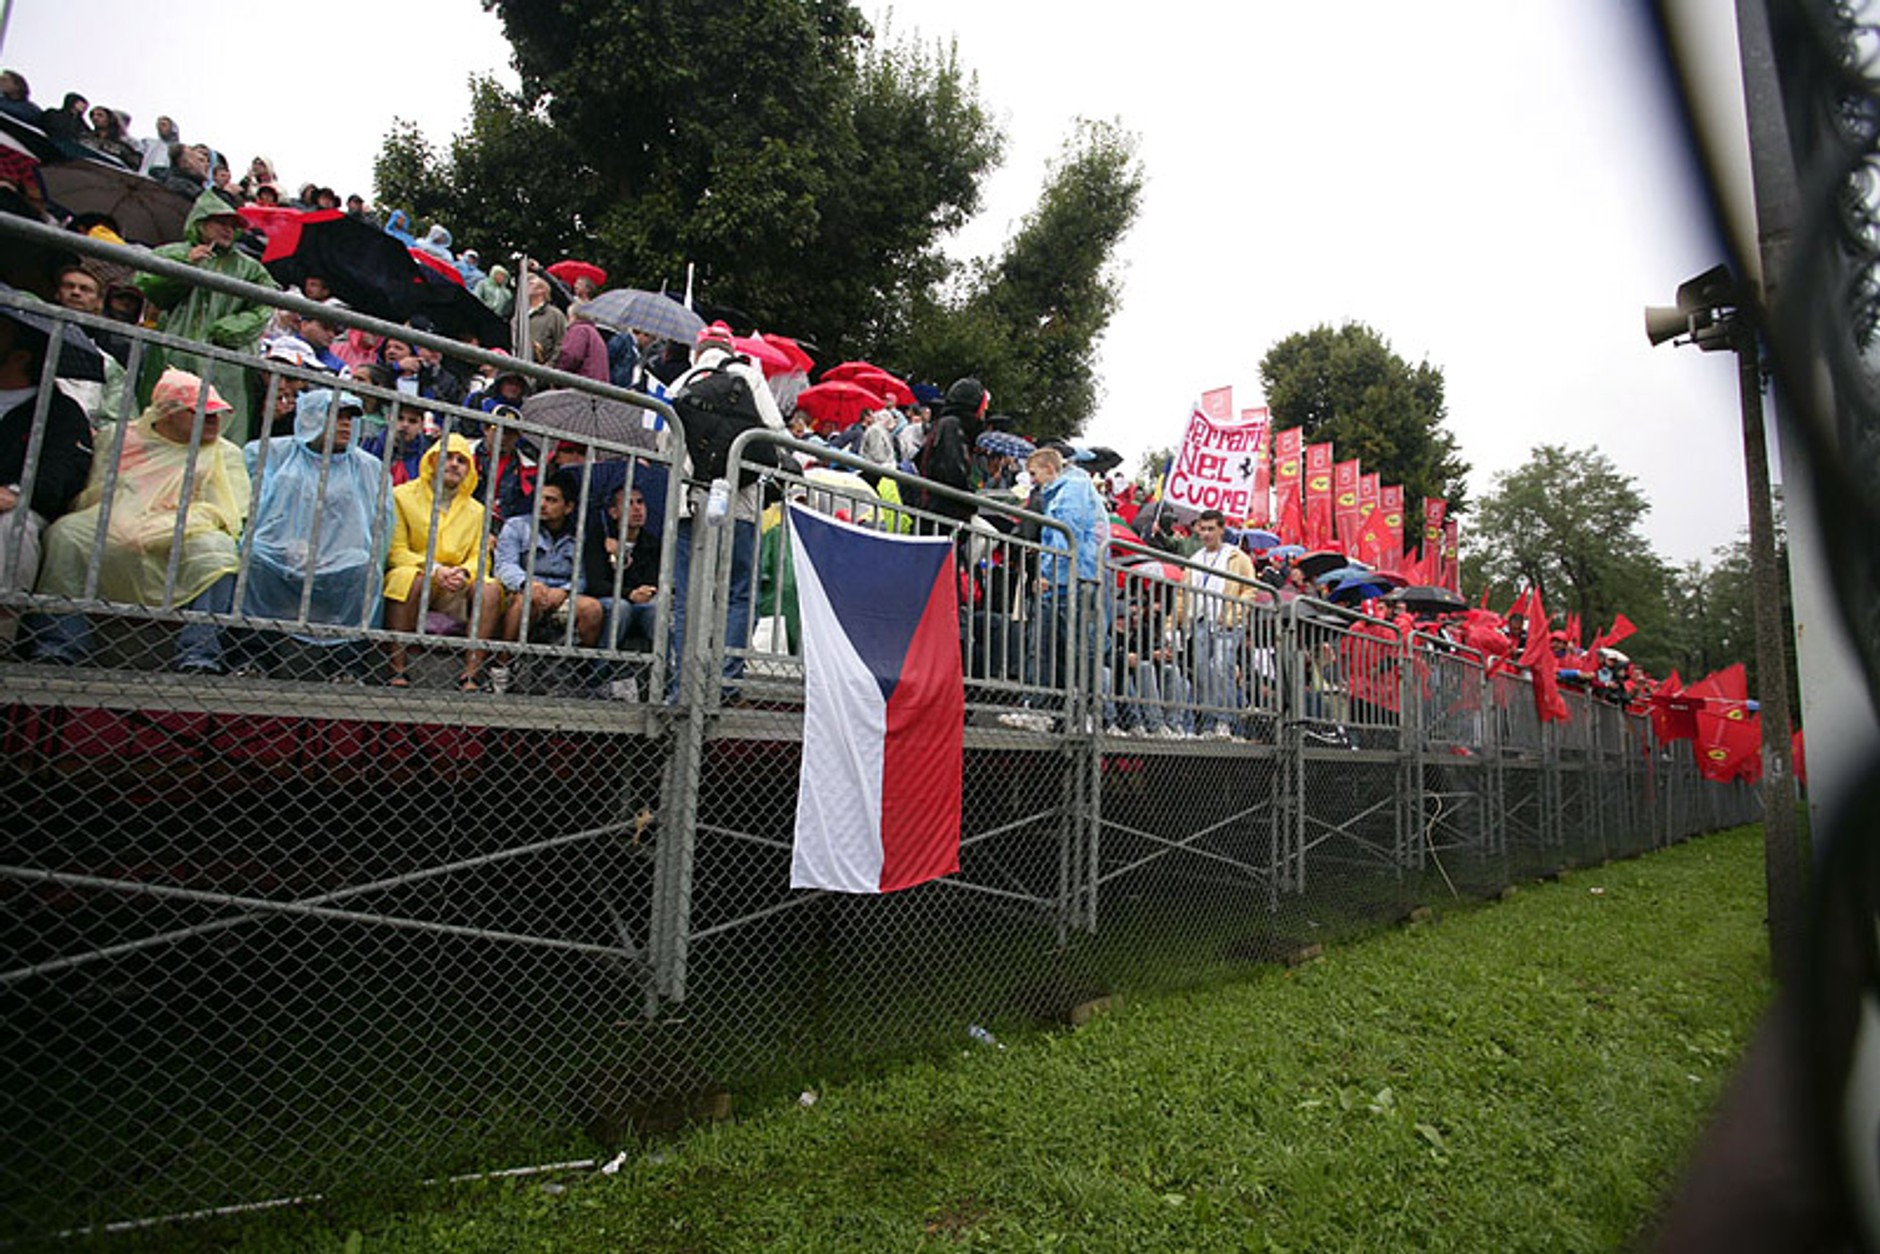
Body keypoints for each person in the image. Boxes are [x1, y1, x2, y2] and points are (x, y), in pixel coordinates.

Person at [30, 369, 248, 672]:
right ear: (168, 412)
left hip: (186, 528)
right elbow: (95, 493)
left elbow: (228, 509)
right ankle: (60, 643)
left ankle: (200, 654)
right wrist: (130, 518)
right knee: (66, 535)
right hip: (114, 520)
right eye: (202, 414)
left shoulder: (225, 453)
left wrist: (169, 521)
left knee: (219, 553)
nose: (215, 421)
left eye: (217, 414)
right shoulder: (120, 439)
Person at [661, 320, 787, 701]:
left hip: (688, 500)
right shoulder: (748, 376)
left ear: (698, 351)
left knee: (687, 595)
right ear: (731, 349)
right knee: (735, 593)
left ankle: (682, 687)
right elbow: (775, 430)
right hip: (739, 501)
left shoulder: (681, 381)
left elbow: (663, 439)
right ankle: (725, 685)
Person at [237, 388, 390, 680]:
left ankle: (347, 666)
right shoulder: (271, 453)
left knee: (364, 568)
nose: (346, 424)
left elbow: (379, 527)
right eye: (337, 416)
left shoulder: (369, 468)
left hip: (342, 555)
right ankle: (253, 657)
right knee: (255, 556)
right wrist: (286, 545)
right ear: (310, 417)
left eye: (350, 418)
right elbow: (254, 510)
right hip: (279, 548)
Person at [134, 190, 281, 444]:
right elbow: (149, 287)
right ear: (201, 222)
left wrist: (231, 329)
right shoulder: (172, 253)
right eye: (221, 222)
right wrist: (185, 265)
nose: (228, 230)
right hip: (174, 352)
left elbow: (266, 304)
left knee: (221, 435)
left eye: (233, 225)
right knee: (164, 427)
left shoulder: (251, 268)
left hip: (226, 364)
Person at [382, 432, 503, 690]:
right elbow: (396, 551)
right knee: (407, 578)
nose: (454, 464)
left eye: (462, 460)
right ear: (432, 460)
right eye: (448, 457)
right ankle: (397, 669)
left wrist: (463, 574)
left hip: (455, 585)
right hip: (418, 574)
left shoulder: (477, 510)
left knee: (490, 588)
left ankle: (471, 674)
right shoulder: (401, 496)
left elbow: (479, 558)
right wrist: (434, 570)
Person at [1008, 446, 1108, 727]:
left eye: (1034, 473)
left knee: (1052, 646)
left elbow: (1066, 537)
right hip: (1072, 577)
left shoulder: (1072, 489)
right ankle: (1058, 711)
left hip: (1069, 580)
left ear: (1050, 469)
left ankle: (1048, 709)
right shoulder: (1072, 488)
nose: (1032, 479)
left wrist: (1049, 574)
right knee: (1058, 646)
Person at [0, 314, 94, 599]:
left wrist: (16, 493)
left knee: (13, 525)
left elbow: (60, 478)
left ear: (19, 357)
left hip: (17, 507)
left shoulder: (61, 413)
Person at [495, 469, 605, 654]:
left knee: (592, 609)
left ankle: (575, 670)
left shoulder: (579, 536)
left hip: (562, 595)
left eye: (551, 500)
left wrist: (565, 591)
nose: (542, 505)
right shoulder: (516, 526)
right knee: (526, 602)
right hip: (522, 591)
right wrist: (528, 584)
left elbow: (583, 577)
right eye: (540, 498)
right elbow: (504, 565)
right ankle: (502, 665)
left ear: (568, 507)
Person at [1177, 509, 1257, 738]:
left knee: (1222, 667)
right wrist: (1176, 622)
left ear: (1222, 529)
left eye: (1211, 528)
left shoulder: (1236, 556)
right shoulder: (1194, 559)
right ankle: (1210, 723)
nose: (1206, 534)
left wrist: (1235, 613)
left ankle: (1226, 721)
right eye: (1203, 529)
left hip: (1227, 622)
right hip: (1202, 620)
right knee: (1203, 672)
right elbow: (1183, 594)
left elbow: (1250, 588)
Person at [583, 484, 663, 652]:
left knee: (655, 611)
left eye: (640, 502)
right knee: (621, 608)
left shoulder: (651, 542)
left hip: (640, 601)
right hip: (608, 599)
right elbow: (596, 584)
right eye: (629, 503)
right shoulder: (600, 537)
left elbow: (652, 581)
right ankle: (600, 668)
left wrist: (625, 560)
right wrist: (629, 593)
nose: (636, 509)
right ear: (613, 512)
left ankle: (663, 671)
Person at [915, 377, 990, 524]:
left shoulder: (950, 425)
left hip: (943, 512)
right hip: (940, 514)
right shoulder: (951, 426)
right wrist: (971, 501)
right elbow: (952, 472)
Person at [525, 273, 566, 366]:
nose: (526, 285)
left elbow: (561, 343)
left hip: (544, 371)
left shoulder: (555, 315)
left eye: (531, 283)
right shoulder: (519, 315)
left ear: (542, 290)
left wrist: (548, 367)